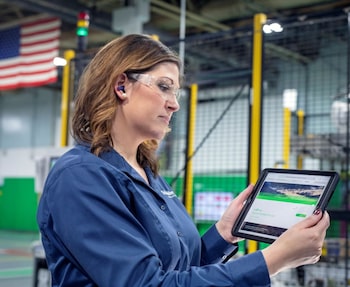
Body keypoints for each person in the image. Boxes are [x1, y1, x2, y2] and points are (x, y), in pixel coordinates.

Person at [37, 34, 330, 287]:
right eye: (164, 87)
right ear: (122, 86)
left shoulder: (146, 172)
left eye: (175, 92)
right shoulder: (81, 176)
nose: (175, 104)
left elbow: (179, 270)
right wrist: (272, 260)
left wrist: (223, 233)